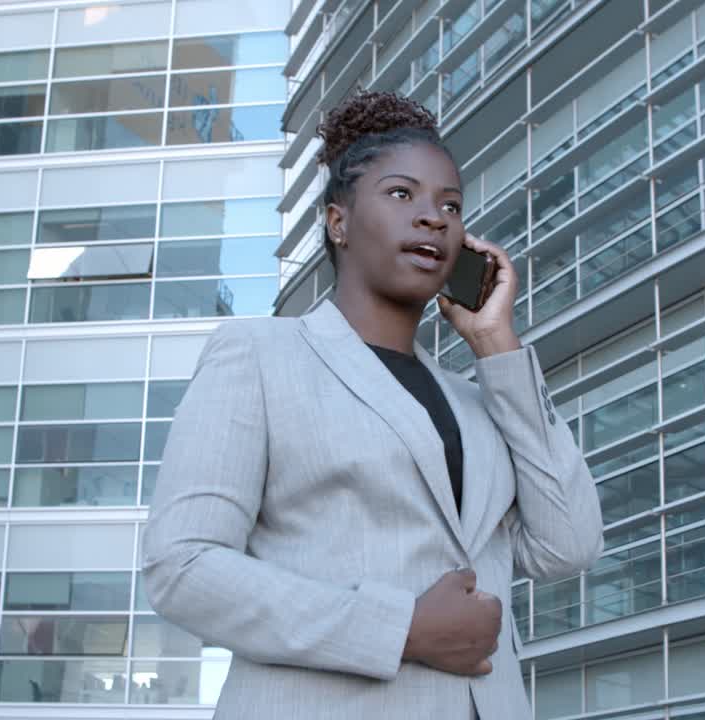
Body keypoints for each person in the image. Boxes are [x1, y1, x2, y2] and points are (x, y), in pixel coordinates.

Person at [142, 90, 603, 719]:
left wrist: (496, 343)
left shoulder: (478, 400)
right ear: (338, 223)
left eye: (451, 205)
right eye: (400, 194)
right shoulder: (258, 355)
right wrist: (402, 629)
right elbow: (184, 567)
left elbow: (568, 545)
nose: (434, 217)